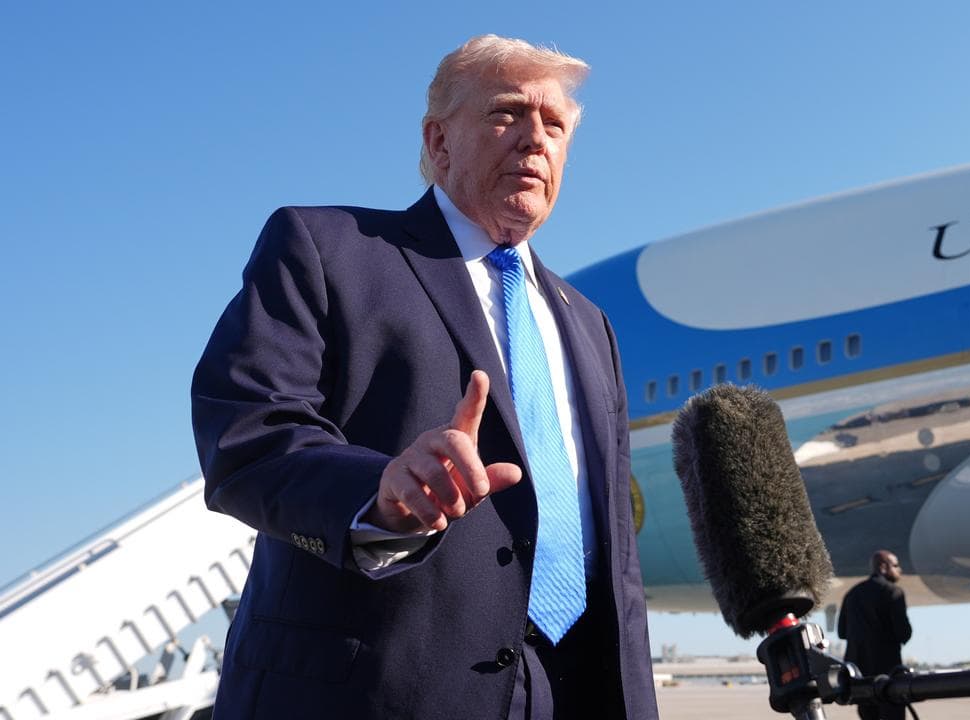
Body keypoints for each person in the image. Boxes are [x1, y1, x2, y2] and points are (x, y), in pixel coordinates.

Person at [191, 35, 658, 719]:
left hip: (571, 689)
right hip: (375, 692)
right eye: (506, 113)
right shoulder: (327, 249)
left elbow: (615, 557)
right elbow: (246, 435)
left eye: (554, 124)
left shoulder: (589, 322)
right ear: (439, 142)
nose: (535, 139)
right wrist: (378, 496)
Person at [837, 550, 913, 720]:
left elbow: (842, 632)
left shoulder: (852, 594)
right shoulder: (893, 592)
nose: (899, 570)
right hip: (888, 676)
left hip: (860, 678)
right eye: (895, 565)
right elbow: (904, 634)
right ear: (883, 567)